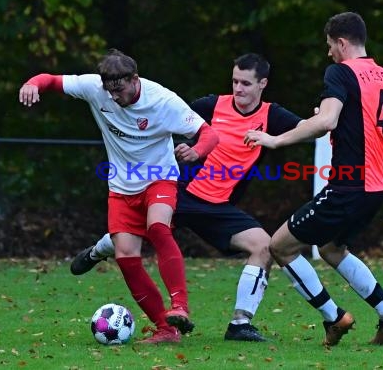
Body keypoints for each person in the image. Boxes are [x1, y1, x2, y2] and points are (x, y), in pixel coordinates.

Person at [70, 53, 304, 341]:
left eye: (245, 83)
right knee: (138, 233)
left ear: (262, 84)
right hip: (181, 190)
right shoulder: (210, 105)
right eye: (234, 81)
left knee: (264, 246)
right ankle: (98, 251)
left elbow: (308, 128)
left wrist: (323, 120)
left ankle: (240, 324)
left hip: (217, 206)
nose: (238, 89)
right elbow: (168, 117)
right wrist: (189, 149)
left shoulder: (273, 115)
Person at [244, 12, 383, 346]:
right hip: (376, 189)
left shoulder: (340, 72)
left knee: (279, 246)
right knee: (332, 248)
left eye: (330, 45)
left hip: (349, 186)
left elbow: (327, 121)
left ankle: (334, 317)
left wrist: (276, 139)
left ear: (342, 42)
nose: (329, 53)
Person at [18, 48, 219, 344]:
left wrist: (196, 151)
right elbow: (51, 79)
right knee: (126, 256)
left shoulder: (163, 101)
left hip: (159, 179)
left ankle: (181, 306)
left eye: (120, 90)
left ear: (135, 79)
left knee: (158, 228)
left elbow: (210, 135)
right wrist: (32, 83)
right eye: (109, 91)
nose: (114, 97)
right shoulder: (96, 88)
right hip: (121, 188)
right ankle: (166, 329)